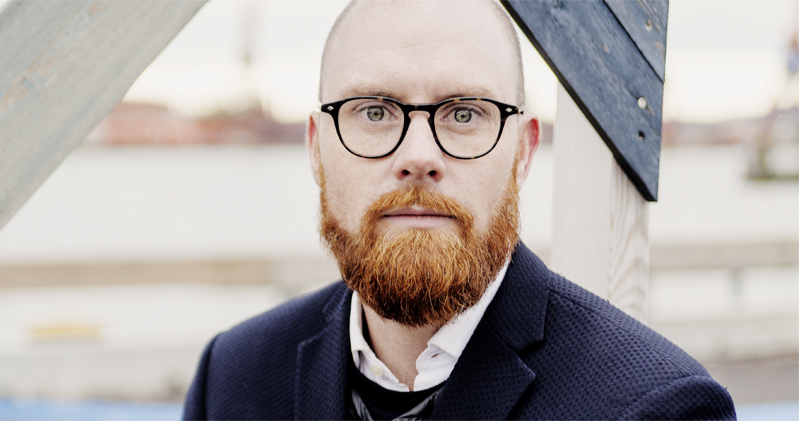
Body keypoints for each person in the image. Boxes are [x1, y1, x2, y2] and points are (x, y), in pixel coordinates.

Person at [183, 0, 736, 419]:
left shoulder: (654, 405)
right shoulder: (232, 378)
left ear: (522, 153)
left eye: (465, 114)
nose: (418, 157)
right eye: (374, 112)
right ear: (316, 149)